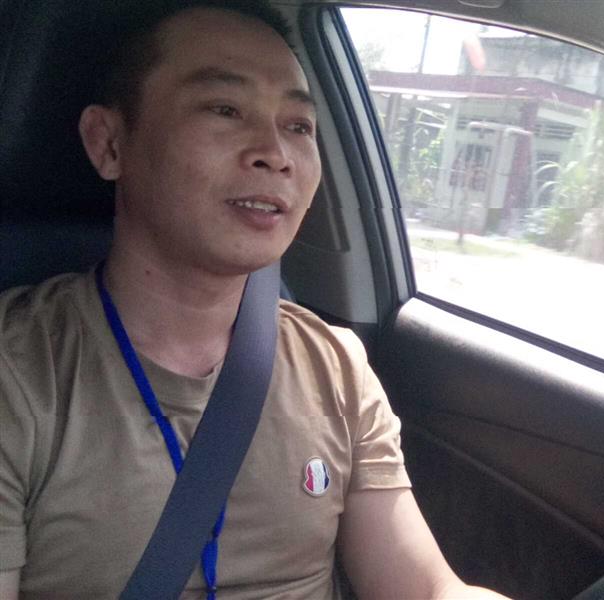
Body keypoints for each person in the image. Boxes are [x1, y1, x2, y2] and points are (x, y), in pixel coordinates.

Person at [0, 1, 510, 598]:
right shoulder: (19, 372)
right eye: (225, 109)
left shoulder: (335, 366)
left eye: (298, 126)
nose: (276, 152)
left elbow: (426, 590)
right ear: (108, 143)